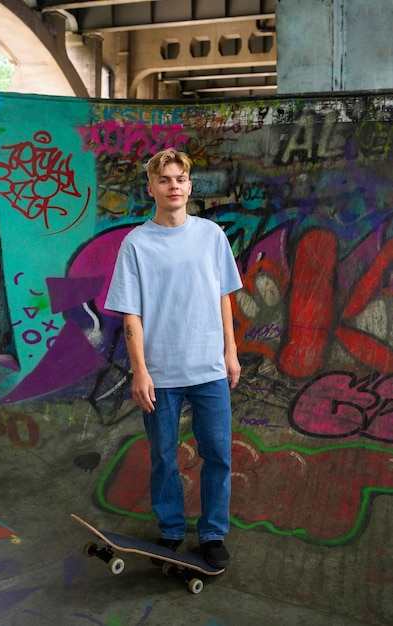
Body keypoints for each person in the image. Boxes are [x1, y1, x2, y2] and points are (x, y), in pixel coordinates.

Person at [105, 149, 242, 568]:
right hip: (160, 372)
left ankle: (213, 533)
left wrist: (231, 351)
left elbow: (224, 297)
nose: (174, 186)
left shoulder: (211, 236)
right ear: (151, 188)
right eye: (164, 180)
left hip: (209, 369)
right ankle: (170, 530)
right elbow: (132, 313)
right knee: (164, 454)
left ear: (190, 185)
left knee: (218, 453)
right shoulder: (136, 244)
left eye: (180, 178)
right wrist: (140, 371)